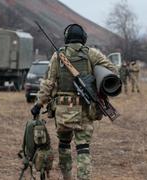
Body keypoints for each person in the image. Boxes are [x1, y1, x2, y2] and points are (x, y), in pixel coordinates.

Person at [31, 24, 117, 180]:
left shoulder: (57, 56)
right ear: (83, 37)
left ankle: (67, 177)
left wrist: (38, 104)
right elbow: (112, 72)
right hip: (85, 108)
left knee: (64, 145)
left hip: (63, 109)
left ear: (66, 38)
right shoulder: (92, 54)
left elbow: (48, 84)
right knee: (83, 148)